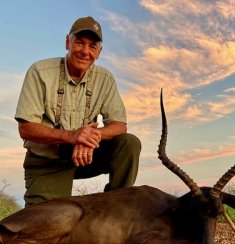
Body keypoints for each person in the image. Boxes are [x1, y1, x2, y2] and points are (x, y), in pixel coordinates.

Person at [15, 16, 141, 206]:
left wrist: (91, 136)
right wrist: (73, 136)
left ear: (99, 52)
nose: (85, 51)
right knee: (44, 224)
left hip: (85, 158)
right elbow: (26, 129)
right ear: (68, 42)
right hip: (48, 161)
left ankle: (116, 207)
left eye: (92, 46)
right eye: (79, 43)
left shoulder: (105, 79)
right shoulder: (40, 71)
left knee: (129, 143)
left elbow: (119, 125)